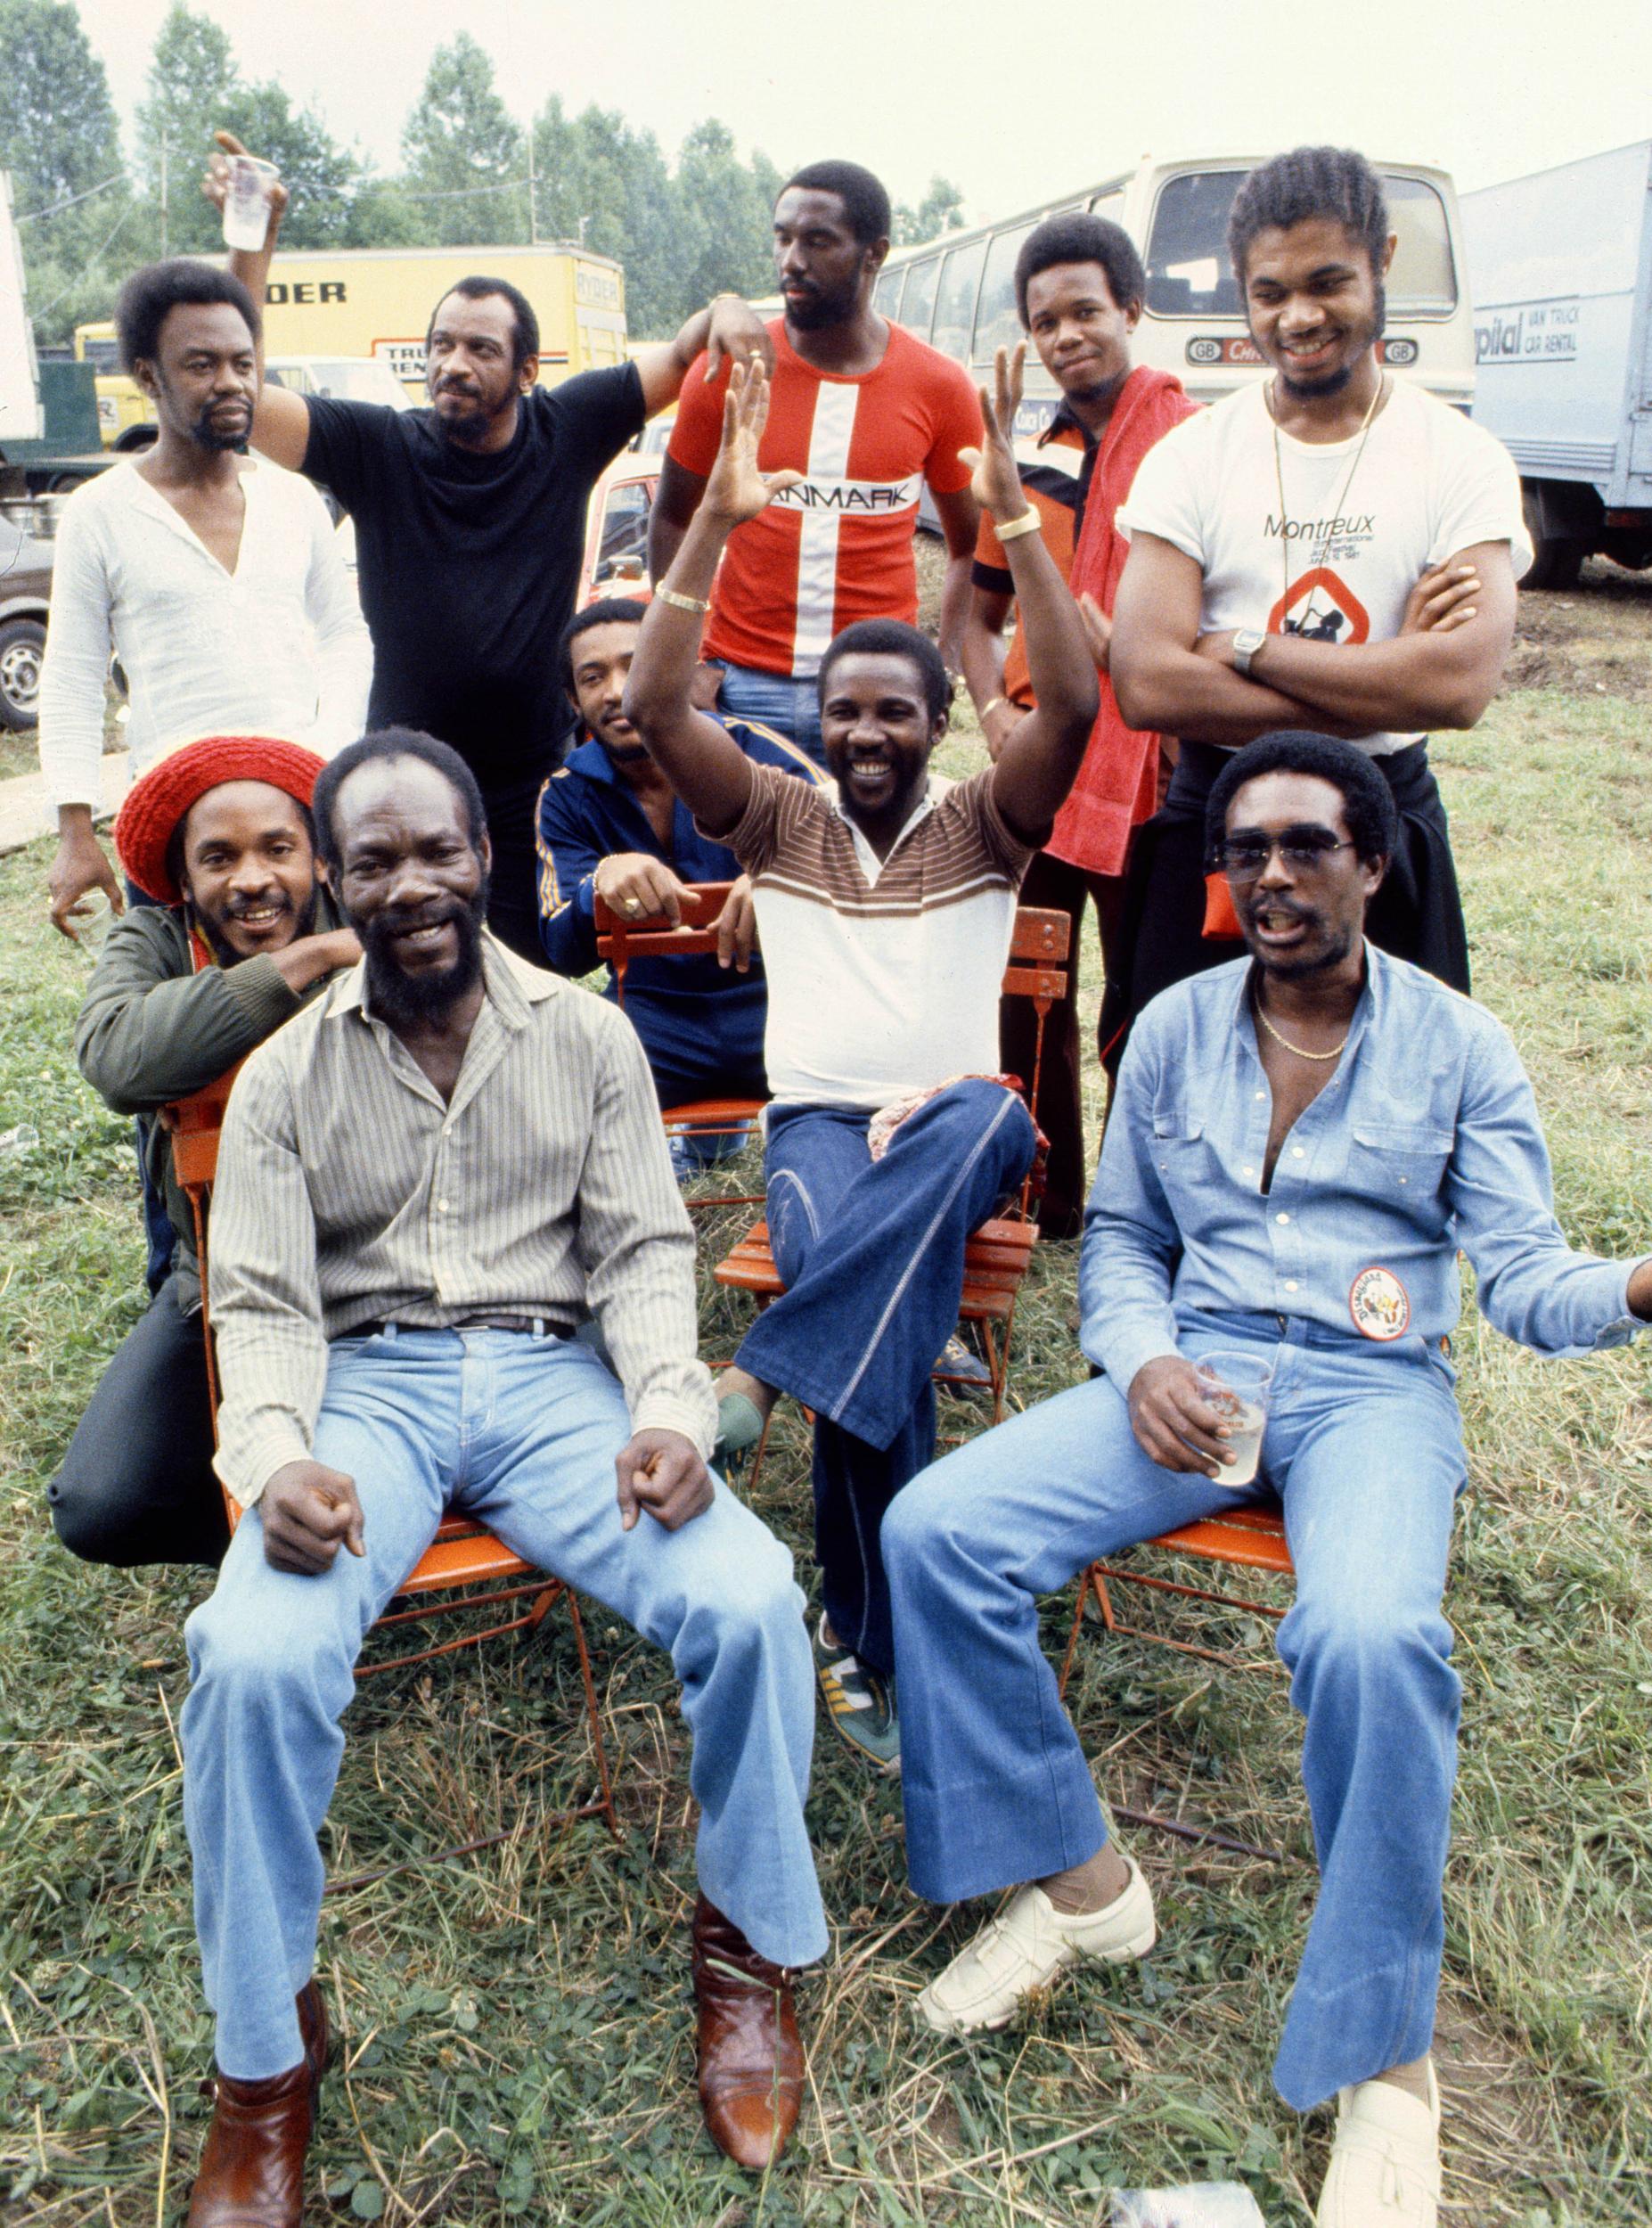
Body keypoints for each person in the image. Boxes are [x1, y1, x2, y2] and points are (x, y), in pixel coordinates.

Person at [882, 731, 1652, 2228]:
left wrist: (1628, 1287)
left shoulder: (1454, 1046)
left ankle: (1385, 2062)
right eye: (1246, 852)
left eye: (1307, 845)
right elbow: (1118, 1243)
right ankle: (1078, 1882)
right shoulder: (1170, 1024)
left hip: (1372, 1392)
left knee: (1368, 1640)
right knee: (937, 1530)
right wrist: (1141, 1358)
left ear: (1372, 862)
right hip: (1202, 1375)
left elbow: (1517, 1279)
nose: (1274, 876)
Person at [179, 730, 826, 2222]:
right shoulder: (284, 1073)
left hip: (557, 1386)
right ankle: (265, 2064)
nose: (411, 886)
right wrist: (272, 1455)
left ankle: (741, 1951)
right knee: (250, 1654)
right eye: (376, 859)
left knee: (745, 1597)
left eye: (440, 850)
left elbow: (643, 1254)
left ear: (493, 858)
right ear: (333, 879)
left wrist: (665, 1404)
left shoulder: (586, 1036)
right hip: (373, 1393)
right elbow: (266, 1306)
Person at [622, 352, 1098, 1770]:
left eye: (895, 709)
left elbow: (1070, 705)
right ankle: (864, 1637)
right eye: (847, 709)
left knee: (963, 1129)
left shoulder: (988, 822)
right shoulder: (778, 821)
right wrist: (713, 518)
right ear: (818, 721)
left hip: (964, 1132)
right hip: (821, 1130)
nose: (868, 730)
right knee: (872, 1308)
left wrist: (1009, 521)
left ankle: (760, 1378)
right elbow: (656, 705)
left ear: (937, 724)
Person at [203, 132, 773, 962]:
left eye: (480, 349)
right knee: (409, 971)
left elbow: (687, 350)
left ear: (527, 369)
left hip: (525, 779)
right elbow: (244, 397)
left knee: (524, 971)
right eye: (441, 345)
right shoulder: (380, 448)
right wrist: (252, 237)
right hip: (404, 773)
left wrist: (725, 306)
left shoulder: (568, 429)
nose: (453, 364)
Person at [1105, 144, 1531, 1072]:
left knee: (1401, 1086)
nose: (1299, 317)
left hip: (1381, 822)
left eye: (1328, 281)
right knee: (1188, 1084)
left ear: (1382, 261)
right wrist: (1385, 679)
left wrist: (1241, 646)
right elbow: (1145, 681)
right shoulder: (1193, 455)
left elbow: (1457, 687)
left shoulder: (1458, 458)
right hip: (1220, 816)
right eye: (1269, 292)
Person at [49, 734, 356, 1569]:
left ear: (322, 862)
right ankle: (275, 1528)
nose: (252, 878)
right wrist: (307, 963)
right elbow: (117, 1059)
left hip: (377, 1269)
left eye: (278, 849)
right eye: (218, 858)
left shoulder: (368, 908)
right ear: (183, 881)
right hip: (215, 1280)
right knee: (101, 1506)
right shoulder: (153, 940)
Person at [961, 213, 1197, 1231]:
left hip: (1158, 775)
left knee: (1146, 1000)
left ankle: (1142, 1205)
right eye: (1043, 320)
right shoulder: (1029, 457)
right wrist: (991, 712)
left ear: (1133, 309)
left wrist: (1140, 662)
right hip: (1043, 768)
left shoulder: (1194, 447)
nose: (1064, 336)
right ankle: (1045, 1197)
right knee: (1026, 991)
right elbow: (969, 613)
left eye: (1085, 311)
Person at [38, 258, 371, 944]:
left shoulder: (293, 497)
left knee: (316, 1010)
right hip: (173, 827)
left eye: (242, 363)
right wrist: (75, 828)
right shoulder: (100, 512)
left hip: (293, 817)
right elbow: (71, 674)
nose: (230, 382)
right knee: (195, 1022)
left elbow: (345, 635)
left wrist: (325, 756)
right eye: (201, 364)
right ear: (147, 377)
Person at [648, 159, 983, 768]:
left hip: (874, 696)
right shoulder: (728, 370)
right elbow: (671, 518)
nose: (791, 260)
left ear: (873, 253)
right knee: (740, 865)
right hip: (740, 688)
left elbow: (970, 546)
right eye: (782, 238)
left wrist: (946, 660)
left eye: (818, 241)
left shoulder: (939, 385)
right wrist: (690, 661)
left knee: (867, 866)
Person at [536, 597, 822, 1140]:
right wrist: (599, 885)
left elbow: (848, 856)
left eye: (634, 663)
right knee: (542, 1095)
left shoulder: (754, 750)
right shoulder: (566, 795)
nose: (617, 690)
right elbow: (560, 948)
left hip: (782, 1007)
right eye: (593, 678)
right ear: (574, 701)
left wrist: (780, 876)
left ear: (677, 668)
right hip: (652, 1019)